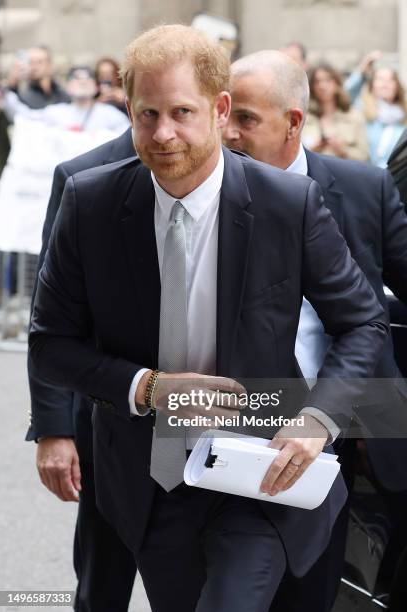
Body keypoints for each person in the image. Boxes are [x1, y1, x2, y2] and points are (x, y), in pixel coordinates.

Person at [29, 25, 388, 612]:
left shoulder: (286, 205)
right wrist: (148, 389)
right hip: (153, 473)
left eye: (181, 112)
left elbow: (362, 322)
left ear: (220, 110)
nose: (163, 133)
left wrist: (320, 418)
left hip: (259, 467)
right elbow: (50, 344)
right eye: (147, 114)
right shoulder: (90, 202)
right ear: (128, 109)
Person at [223, 49, 407, 612]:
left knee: (327, 585)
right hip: (243, 421)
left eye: (247, 119)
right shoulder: (207, 196)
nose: (228, 132)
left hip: (358, 423)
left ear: (294, 122)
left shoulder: (364, 188)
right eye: (222, 114)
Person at [27, 127, 137, 611]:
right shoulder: (81, 176)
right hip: (106, 415)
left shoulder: (235, 172)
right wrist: (54, 430)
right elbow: (50, 317)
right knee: (103, 580)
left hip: (200, 415)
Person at [1, 66, 130, 133]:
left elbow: (130, 138)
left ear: (96, 87)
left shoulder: (111, 115)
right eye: (76, 78)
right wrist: (6, 93)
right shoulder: (56, 113)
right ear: (68, 87)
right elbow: (25, 117)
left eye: (87, 78)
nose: (82, 81)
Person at [302, 63, 369, 162]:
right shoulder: (304, 118)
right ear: (312, 86)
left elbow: (364, 156)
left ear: (337, 83)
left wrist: (343, 151)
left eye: (328, 80)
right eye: (317, 81)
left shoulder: (353, 116)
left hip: (345, 173)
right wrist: (313, 150)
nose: (322, 85)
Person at [360, 66, 407, 168]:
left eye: (390, 80)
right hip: (366, 175)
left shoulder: (404, 117)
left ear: (397, 86)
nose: (385, 84)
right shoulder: (361, 112)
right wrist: (360, 74)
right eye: (380, 79)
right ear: (371, 85)